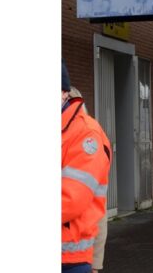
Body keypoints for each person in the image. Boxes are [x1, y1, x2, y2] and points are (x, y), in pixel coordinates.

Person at [62, 61, 112, 273]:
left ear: (65, 94)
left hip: (71, 260)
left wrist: (96, 263)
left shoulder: (86, 134)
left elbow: (74, 200)